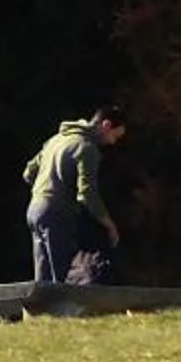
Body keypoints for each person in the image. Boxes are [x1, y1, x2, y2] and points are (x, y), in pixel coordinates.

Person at [24, 108, 126, 286]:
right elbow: (87, 194)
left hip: (35, 209)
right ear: (106, 125)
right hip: (57, 213)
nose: (113, 142)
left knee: (42, 279)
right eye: (114, 136)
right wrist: (109, 225)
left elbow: (28, 173)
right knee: (60, 278)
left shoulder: (56, 140)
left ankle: (40, 313)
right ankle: (61, 313)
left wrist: (46, 187)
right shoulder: (87, 148)